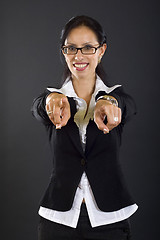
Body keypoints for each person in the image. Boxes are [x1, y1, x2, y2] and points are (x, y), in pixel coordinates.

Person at [32, 15, 138, 240]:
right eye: (72, 48)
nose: (79, 56)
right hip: (58, 222)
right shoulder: (53, 98)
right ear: (64, 52)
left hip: (109, 221)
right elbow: (39, 107)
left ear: (101, 50)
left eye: (88, 48)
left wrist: (109, 102)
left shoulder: (116, 96)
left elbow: (127, 105)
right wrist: (50, 100)